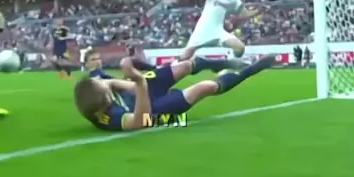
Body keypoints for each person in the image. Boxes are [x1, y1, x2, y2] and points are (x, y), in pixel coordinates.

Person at [74, 51, 275, 132]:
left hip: (140, 92)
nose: (105, 83)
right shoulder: (111, 118)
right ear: (105, 103)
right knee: (205, 87)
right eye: (105, 88)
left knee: (184, 66)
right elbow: (141, 120)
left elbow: (125, 86)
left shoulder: (95, 89)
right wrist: (140, 82)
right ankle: (251, 70)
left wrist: (133, 78)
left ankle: (222, 63)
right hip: (150, 111)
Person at [183, 0, 260, 58]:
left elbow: (244, 14)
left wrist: (258, 11)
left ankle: (234, 61)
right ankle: (175, 65)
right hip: (202, 29)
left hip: (218, 31)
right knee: (185, 56)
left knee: (240, 48)